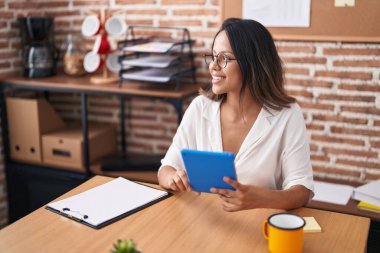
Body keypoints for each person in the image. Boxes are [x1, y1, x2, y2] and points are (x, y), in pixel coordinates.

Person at [157, 18, 314, 211]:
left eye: (224, 58)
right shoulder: (200, 107)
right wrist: (173, 178)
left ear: (252, 62)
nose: (213, 66)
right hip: (203, 222)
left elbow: (302, 190)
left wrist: (262, 199)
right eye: (213, 56)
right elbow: (166, 169)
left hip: (256, 227)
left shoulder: (287, 115)